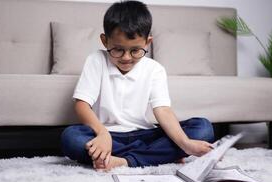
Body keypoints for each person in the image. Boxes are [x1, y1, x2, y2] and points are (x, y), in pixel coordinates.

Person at [61, 0, 214, 171]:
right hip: (107, 135)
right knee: (71, 138)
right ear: (105, 41)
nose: (126, 57)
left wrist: (185, 144)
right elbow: (81, 105)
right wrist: (103, 133)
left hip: (144, 133)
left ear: (147, 42)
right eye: (118, 50)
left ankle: (123, 161)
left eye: (135, 50)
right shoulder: (96, 60)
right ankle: (160, 155)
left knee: (203, 128)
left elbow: (163, 110)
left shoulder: (154, 69)